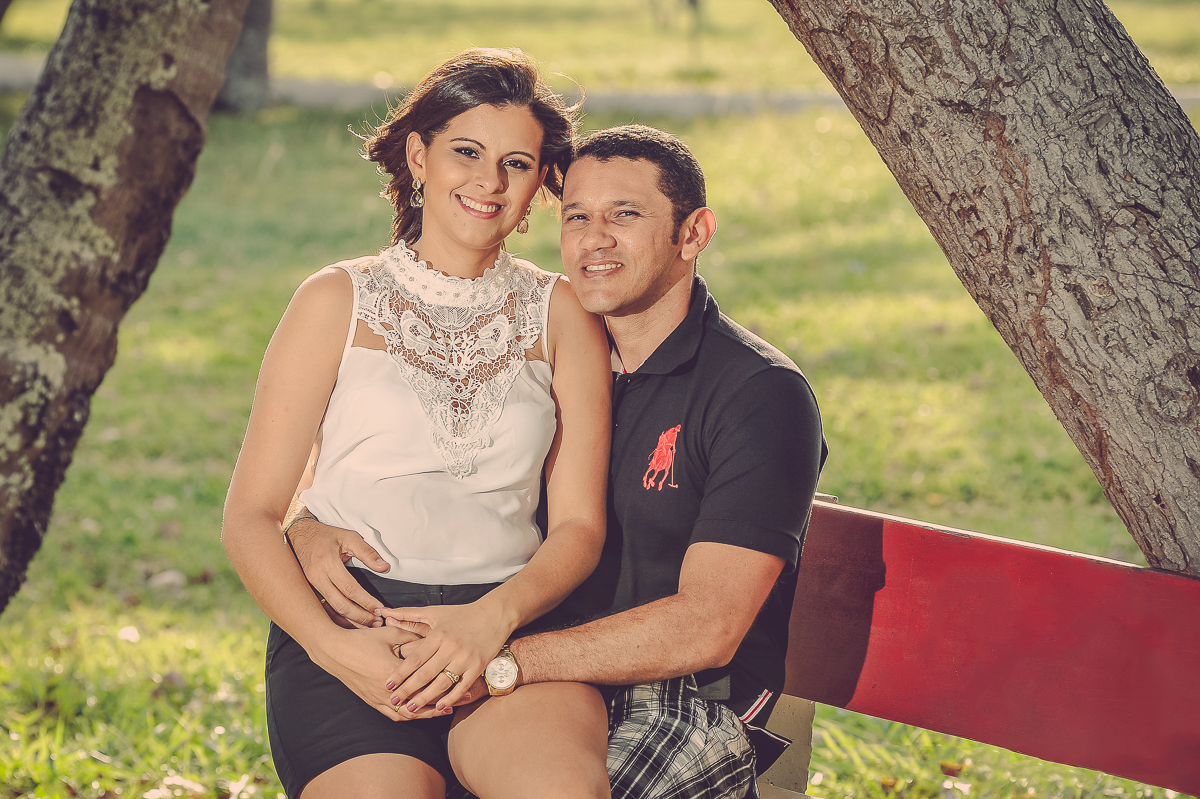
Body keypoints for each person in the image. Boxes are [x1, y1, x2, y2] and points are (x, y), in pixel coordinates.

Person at [291, 125, 827, 799]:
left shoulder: (758, 394)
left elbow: (707, 626)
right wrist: (304, 523)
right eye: (576, 217)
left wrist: (501, 659)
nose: (594, 240)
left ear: (692, 233)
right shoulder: (543, 351)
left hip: (682, 698)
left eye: (624, 215)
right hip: (528, 675)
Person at [220, 48, 614, 799]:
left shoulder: (560, 313)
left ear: (539, 183)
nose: (489, 182)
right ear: (418, 157)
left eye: (516, 164)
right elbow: (250, 517)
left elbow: (578, 529)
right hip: (354, 627)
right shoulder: (335, 300)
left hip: (511, 628)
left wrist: (490, 621)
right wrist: (334, 648)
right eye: (466, 151)